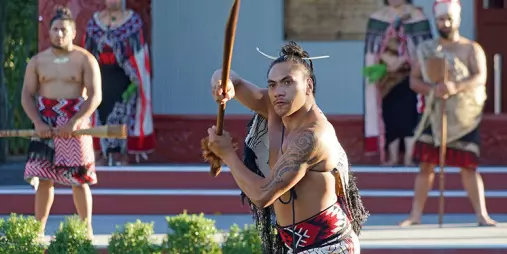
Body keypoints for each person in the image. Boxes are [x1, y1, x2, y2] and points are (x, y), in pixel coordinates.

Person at [207, 41, 368, 253]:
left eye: (287, 82)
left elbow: (263, 195)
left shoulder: (311, 137)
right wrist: (222, 82)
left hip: (330, 247)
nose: (277, 91)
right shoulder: (274, 107)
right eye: (272, 84)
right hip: (293, 246)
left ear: (308, 85)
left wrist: (227, 154)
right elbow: (230, 78)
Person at [399, 0, 496, 227]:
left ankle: (482, 215)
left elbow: (480, 77)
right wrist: (433, 89)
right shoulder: (426, 49)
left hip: (464, 116)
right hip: (434, 113)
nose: (445, 23)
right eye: (441, 19)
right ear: (436, 21)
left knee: (468, 166)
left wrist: (455, 87)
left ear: (458, 19)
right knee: (426, 166)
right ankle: (415, 215)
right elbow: (414, 80)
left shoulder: (471, 48)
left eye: (449, 18)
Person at [21, 7, 101, 239]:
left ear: (73, 32)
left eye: (64, 30)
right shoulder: (37, 61)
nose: (59, 34)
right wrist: (37, 122)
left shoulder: (85, 59)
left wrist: (74, 122)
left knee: (79, 179)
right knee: (44, 179)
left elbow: (95, 96)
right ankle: (38, 231)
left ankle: (86, 231)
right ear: (50, 32)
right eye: (55, 29)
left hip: (75, 123)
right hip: (44, 121)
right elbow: (27, 94)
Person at [83, 0, 155, 166]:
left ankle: (121, 154)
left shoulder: (133, 22)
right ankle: (100, 153)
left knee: (124, 115)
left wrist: (136, 79)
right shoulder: (95, 23)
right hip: (100, 77)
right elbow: (87, 52)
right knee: (99, 114)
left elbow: (140, 52)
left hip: (125, 79)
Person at [363, 0, 433, 165]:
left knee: (409, 116)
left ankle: (409, 156)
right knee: (390, 117)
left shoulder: (418, 16)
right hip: (385, 79)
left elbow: (425, 48)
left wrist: (403, 60)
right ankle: (393, 157)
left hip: (410, 76)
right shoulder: (377, 17)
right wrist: (386, 60)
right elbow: (372, 50)